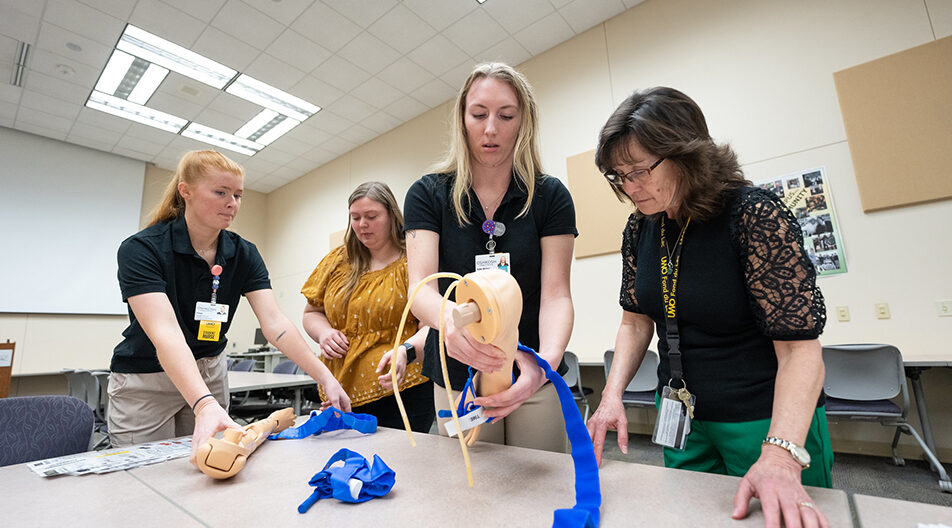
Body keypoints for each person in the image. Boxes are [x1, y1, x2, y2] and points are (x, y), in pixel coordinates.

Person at [585, 87, 833, 527]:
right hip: (682, 419)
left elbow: (800, 351)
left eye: (639, 171)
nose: (629, 187)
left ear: (686, 154)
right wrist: (611, 396)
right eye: (618, 176)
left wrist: (780, 454)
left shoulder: (752, 216)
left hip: (764, 423)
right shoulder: (642, 227)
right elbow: (635, 320)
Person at [108, 150, 350, 464]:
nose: (231, 203)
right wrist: (205, 405)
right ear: (186, 191)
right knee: (145, 478)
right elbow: (164, 333)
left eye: (237, 195)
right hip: (148, 377)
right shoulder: (142, 249)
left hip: (209, 371)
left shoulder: (243, 253)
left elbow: (275, 324)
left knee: (211, 467)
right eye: (220, 192)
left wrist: (325, 376)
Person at [404, 62, 577, 452]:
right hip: (456, 374)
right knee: (471, 496)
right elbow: (421, 288)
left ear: (524, 122)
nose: (491, 129)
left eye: (506, 115)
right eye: (478, 114)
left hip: (530, 370)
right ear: (462, 119)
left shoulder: (551, 197)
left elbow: (556, 296)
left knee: (539, 486)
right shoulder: (427, 194)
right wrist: (449, 321)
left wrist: (544, 365)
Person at [301, 181, 433, 432]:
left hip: (403, 390)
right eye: (355, 217)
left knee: (402, 466)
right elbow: (312, 313)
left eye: (372, 216)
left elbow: (430, 326)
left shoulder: (413, 261)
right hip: (341, 391)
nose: (362, 224)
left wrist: (405, 351)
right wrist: (324, 332)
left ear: (392, 217)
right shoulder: (338, 260)